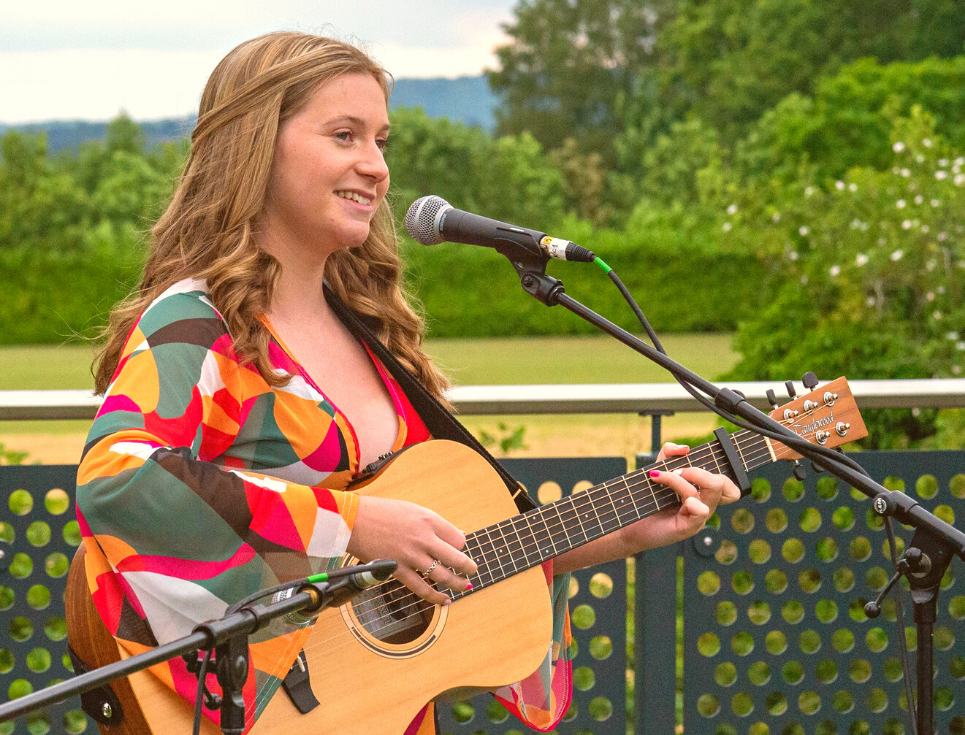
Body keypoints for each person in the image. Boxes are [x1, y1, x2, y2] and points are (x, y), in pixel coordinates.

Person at [75, 31, 740, 734]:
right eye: (344, 135)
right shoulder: (196, 322)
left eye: (381, 141)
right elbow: (119, 475)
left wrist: (621, 530)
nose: (375, 167)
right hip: (253, 708)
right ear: (255, 146)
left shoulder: (370, 329)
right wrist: (358, 525)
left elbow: (434, 560)